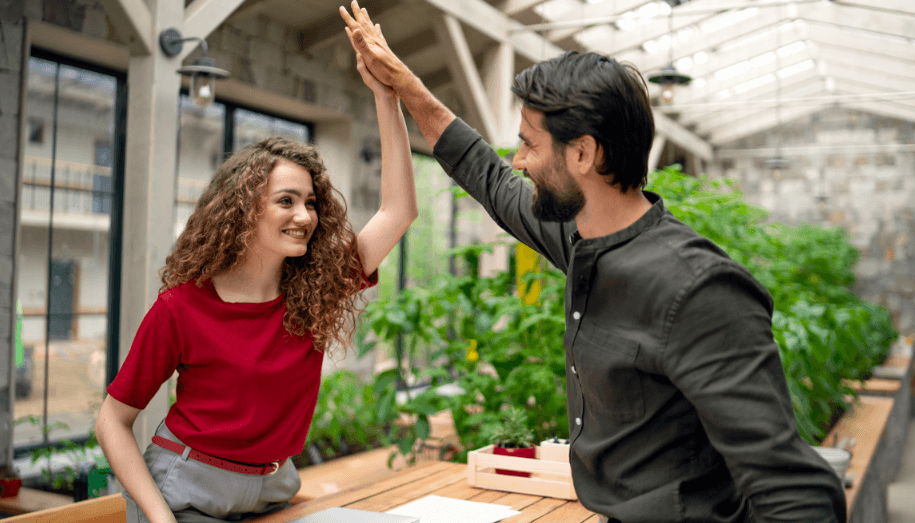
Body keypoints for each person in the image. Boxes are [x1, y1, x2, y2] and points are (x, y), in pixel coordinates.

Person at [340, 2, 846, 522]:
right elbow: (488, 177)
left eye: (529, 145)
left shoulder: (697, 290)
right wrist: (406, 89)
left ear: (582, 153)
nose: (518, 161)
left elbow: (798, 496)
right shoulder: (581, 239)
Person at [95, 46, 417, 523]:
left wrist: (386, 97)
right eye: (285, 201)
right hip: (186, 490)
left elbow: (399, 211)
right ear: (243, 210)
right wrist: (160, 518)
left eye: (310, 202)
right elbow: (112, 421)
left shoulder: (316, 288)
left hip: (274, 488)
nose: (304, 216)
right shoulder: (181, 308)